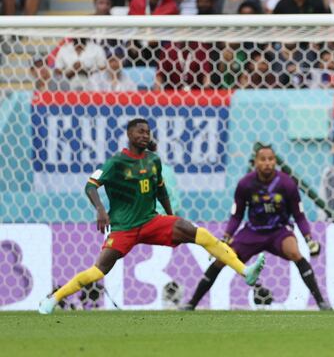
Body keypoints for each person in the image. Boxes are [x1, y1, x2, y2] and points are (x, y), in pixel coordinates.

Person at [38, 119, 265, 314]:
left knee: (202, 235)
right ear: (129, 135)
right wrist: (100, 210)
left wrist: (171, 217)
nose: (145, 135)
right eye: (140, 132)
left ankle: (246, 272)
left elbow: (161, 190)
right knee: (98, 270)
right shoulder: (116, 163)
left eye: (147, 132)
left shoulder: (153, 160)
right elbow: (90, 186)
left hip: (150, 221)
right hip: (123, 228)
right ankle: (54, 299)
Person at [183, 146, 331, 310]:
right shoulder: (245, 184)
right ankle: (192, 303)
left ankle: (321, 302)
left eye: (271, 159)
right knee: (222, 258)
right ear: (255, 162)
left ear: (275, 161)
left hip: (279, 231)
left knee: (295, 252)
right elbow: (237, 215)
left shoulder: (286, 183)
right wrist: (225, 237)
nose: (267, 163)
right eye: (263, 159)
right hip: (252, 232)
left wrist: (309, 239)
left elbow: (299, 215)